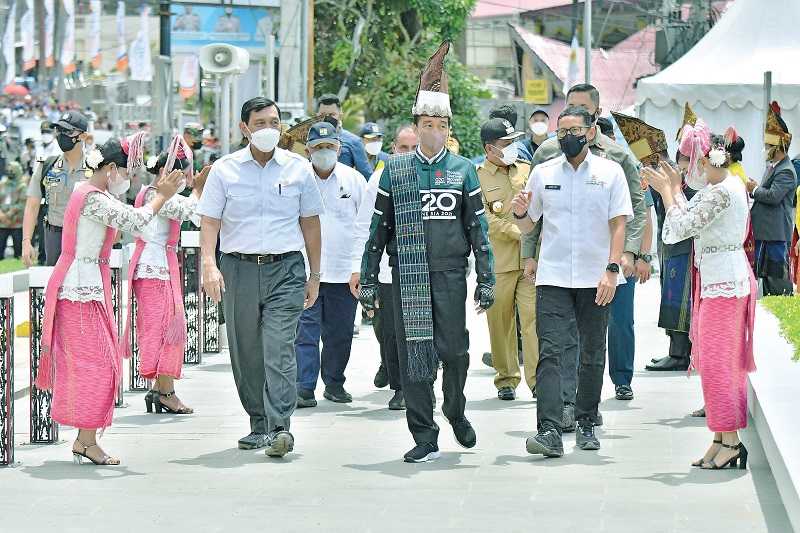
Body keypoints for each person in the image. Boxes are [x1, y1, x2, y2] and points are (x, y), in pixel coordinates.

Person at [359, 41, 495, 463]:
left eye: (440, 123)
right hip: (408, 276)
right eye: (426, 123)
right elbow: (377, 230)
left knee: (454, 352)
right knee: (415, 355)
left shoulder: (462, 170)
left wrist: (486, 277)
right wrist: (367, 279)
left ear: (448, 128)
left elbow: (478, 228)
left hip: (452, 275)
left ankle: (455, 409)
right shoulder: (395, 170)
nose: (433, 130)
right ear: (416, 126)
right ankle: (424, 433)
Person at [35, 134, 183, 466]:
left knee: (102, 363)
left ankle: (85, 440)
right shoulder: (91, 197)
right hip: (78, 291)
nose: (129, 181)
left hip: (87, 289)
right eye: (127, 173)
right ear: (112, 168)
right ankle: (85, 440)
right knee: (98, 364)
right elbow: (136, 221)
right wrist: (164, 196)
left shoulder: (93, 194)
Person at [198, 97, 324, 458]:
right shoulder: (225, 170)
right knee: (246, 350)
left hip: (286, 268)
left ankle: (281, 425)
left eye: (274, 122)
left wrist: (315, 274)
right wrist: (209, 263)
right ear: (244, 129)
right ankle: (258, 423)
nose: (268, 129)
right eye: (260, 123)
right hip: (237, 268)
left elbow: (311, 224)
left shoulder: (298, 169)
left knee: (278, 346)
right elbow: (210, 221)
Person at [520, 83, 646, 431]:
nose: (569, 132)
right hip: (556, 269)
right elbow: (532, 212)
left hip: (602, 266)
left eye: (579, 114)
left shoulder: (617, 158)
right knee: (556, 346)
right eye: (566, 115)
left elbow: (632, 209)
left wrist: (631, 255)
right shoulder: (546, 155)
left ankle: (590, 406)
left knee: (598, 340)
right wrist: (529, 254)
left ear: (594, 117)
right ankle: (558, 412)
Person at [643, 130, 755, 471]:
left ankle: (731, 441)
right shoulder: (722, 189)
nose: (694, 168)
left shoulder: (722, 192)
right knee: (714, 360)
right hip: (720, 282)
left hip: (724, 284)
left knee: (718, 362)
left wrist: (666, 191)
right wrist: (674, 189)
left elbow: (680, 227)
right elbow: (689, 214)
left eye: (695, 161)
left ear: (708, 160)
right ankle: (722, 437)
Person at [124, 138, 209, 416]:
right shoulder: (153, 195)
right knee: (163, 331)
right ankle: (166, 392)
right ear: (167, 172)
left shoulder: (158, 194)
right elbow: (188, 211)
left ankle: (161, 389)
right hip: (154, 270)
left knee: (165, 329)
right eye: (182, 174)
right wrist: (198, 189)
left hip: (160, 269)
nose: (185, 179)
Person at [294, 122, 366, 408]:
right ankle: (304, 387)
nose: (324, 152)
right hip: (306, 271)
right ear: (308, 150)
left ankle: (334, 383)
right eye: (318, 147)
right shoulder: (297, 179)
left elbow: (363, 226)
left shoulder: (353, 179)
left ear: (338, 148)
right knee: (305, 331)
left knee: (340, 332)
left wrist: (358, 267)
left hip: (343, 271)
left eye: (330, 147)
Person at [355, 124, 419, 410]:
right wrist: (361, 271)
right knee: (391, 331)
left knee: (418, 330)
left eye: (414, 148)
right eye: (403, 148)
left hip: (423, 269)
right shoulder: (380, 179)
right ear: (393, 149)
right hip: (386, 269)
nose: (408, 153)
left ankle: (419, 382)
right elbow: (364, 227)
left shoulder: (434, 177)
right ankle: (400, 387)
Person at [476, 118, 538, 401]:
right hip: (498, 262)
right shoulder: (477, 176)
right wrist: (518, 231)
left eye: (514, 142)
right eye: (506, 144)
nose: (513, 147)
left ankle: (538, 380)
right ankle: (506, 379)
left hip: (530, 262)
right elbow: (485, 218)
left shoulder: (526, 170)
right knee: (500, 323)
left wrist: (529, 238)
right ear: (490, 148)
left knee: (533, 320)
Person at [605, 111, 662, 399]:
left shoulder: (629, 171)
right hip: (588, 260)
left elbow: (645, 216)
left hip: (622, 261)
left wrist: (642, 257)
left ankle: (622, 380)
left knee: (621, 322)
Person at [646, 105, 701, 373]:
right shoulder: (677, 176)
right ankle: (675, 349)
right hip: (669, 243)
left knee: (679, 298)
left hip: (684, 247)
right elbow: (661, 202)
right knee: (669, 294)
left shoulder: (695, 182)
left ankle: (680, 353)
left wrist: (672, 186)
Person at [22, 111, 90, 267]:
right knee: (55, 287)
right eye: (59, 130)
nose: (61, 135)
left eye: (68, 131)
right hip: (54, 238)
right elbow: (32, 206)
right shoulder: (46, 167)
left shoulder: (96, 168)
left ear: (83, 136)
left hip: (86, 237)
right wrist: (26, 241)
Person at [748, 101, 796, 296]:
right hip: (766, 232)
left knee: (776, 278)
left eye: (768, 145)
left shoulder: (786, 170)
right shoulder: (774, 167)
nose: (765, 148)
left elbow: (773, 196)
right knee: (765, 276)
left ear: (779, 146)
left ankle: (782, 303)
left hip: (775, 234)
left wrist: (754, 189)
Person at [317, 94, 373, 179]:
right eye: (323, 115)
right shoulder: (306, 140)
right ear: (317, 115)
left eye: (332, 115)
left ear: (340, 115)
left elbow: (367, 176)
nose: (327, 118)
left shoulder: (353, 141)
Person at [0, 161, 27, 259]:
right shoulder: (2, 184)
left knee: (18, 253)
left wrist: (9, 214)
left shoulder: (22, 186)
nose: (9, 171)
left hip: (16, 223)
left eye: (11, 170)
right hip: (2, 223)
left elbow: (22, 204)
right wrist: (2, 215)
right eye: (8, 170)